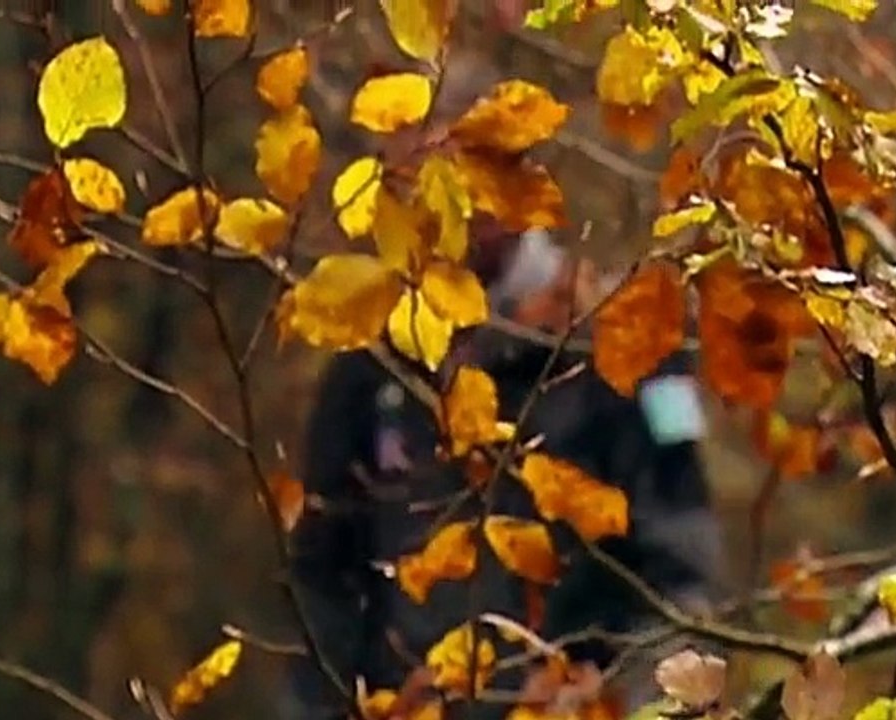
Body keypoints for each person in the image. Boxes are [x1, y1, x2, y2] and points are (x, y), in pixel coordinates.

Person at [284, 226, 725, 720]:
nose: (459, 211)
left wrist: (623, 698)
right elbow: (322, 575)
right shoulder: (372, 363)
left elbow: (681, 578)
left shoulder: (619, 343)